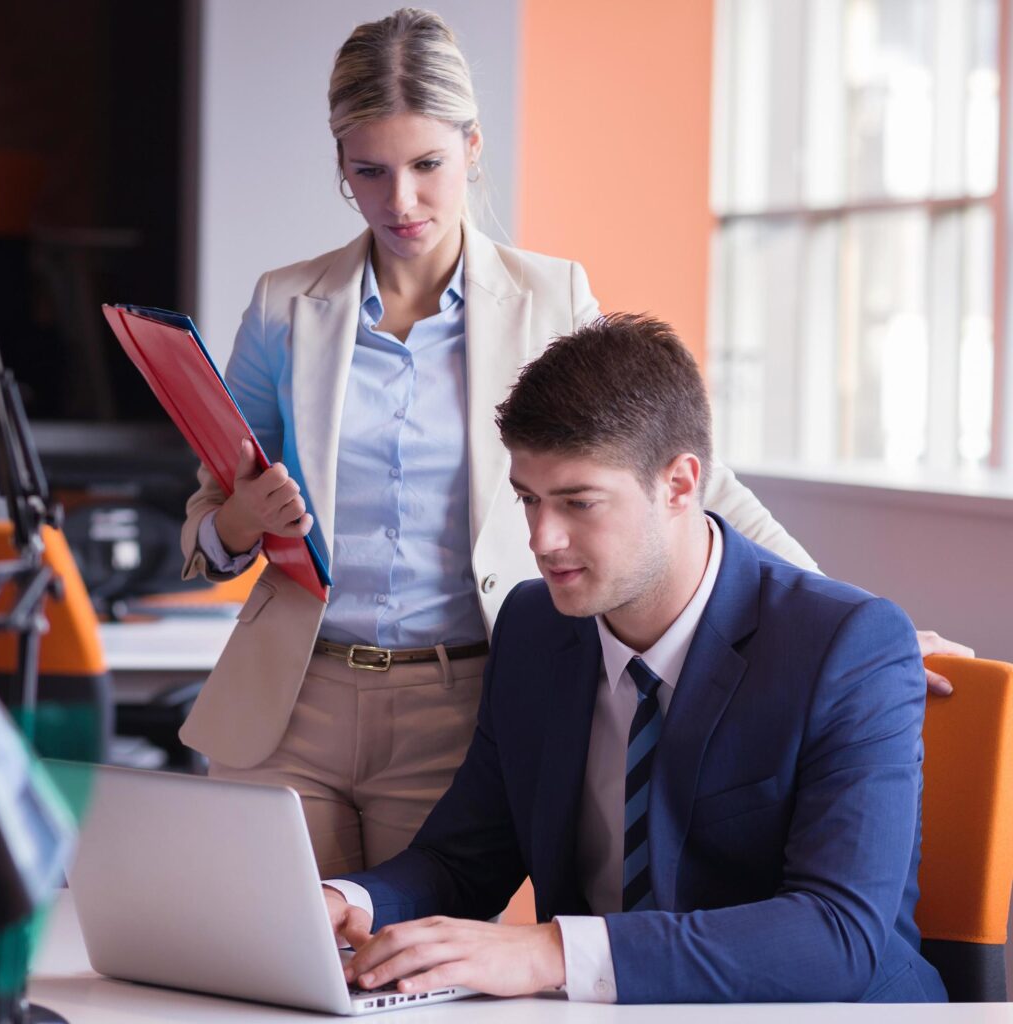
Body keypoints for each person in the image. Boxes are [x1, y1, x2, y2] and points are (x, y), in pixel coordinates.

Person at [177, 8, 969, 877]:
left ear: (473, 148)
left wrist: (849, 627)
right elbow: (210, 517)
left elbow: (684, 474)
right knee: (269, 969)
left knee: (400, 977)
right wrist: (238, 524)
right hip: (294, 696)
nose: (400, 201)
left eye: (428, 165)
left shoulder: (549, 299)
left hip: (458, 697)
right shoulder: (285, 305)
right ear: (341, 164)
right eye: (370, 170)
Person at [322, 314, 948, 1004]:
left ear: (680, 485)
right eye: (528, 500)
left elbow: (837, 936)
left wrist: (553, 950)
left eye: (577, 502)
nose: (542, 538)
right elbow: (464, 858)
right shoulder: (535, 626)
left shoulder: (847, 647)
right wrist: (353, 900)